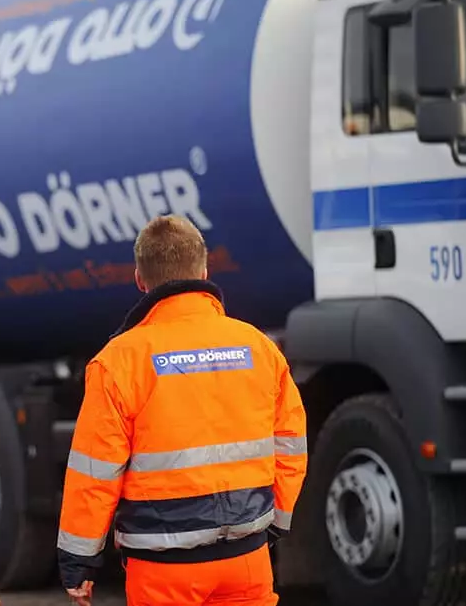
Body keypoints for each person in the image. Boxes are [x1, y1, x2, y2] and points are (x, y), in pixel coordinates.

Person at [56, 215, 308, 606]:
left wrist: (79, 559)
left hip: (163, 568)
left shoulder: (119, 361)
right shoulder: (259, 348)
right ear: (204, 271)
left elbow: (95, 471)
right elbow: (291, 444)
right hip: (247, 559)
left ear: (140, 280)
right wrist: (276, 521)